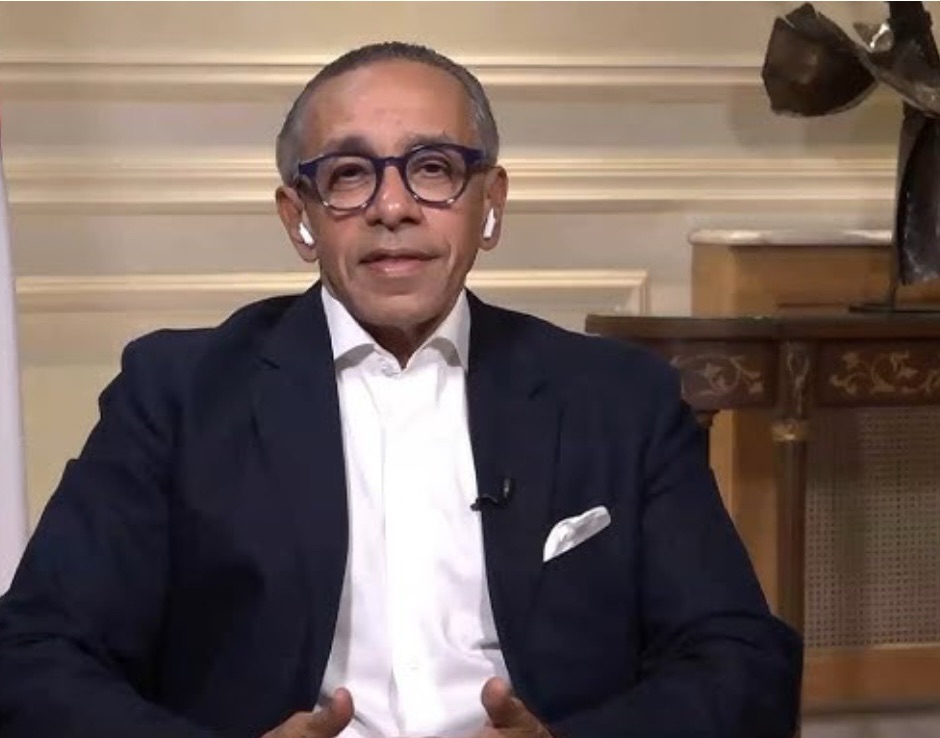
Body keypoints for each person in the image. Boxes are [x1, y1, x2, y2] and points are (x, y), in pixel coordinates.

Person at [0, 42, 802, 738]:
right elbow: (34, 656)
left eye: (433, 168)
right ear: (299, 217)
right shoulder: (177, 396)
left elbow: (740, 659)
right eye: (349, 175)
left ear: (491, 204)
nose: (392, 207)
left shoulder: (619, 400)